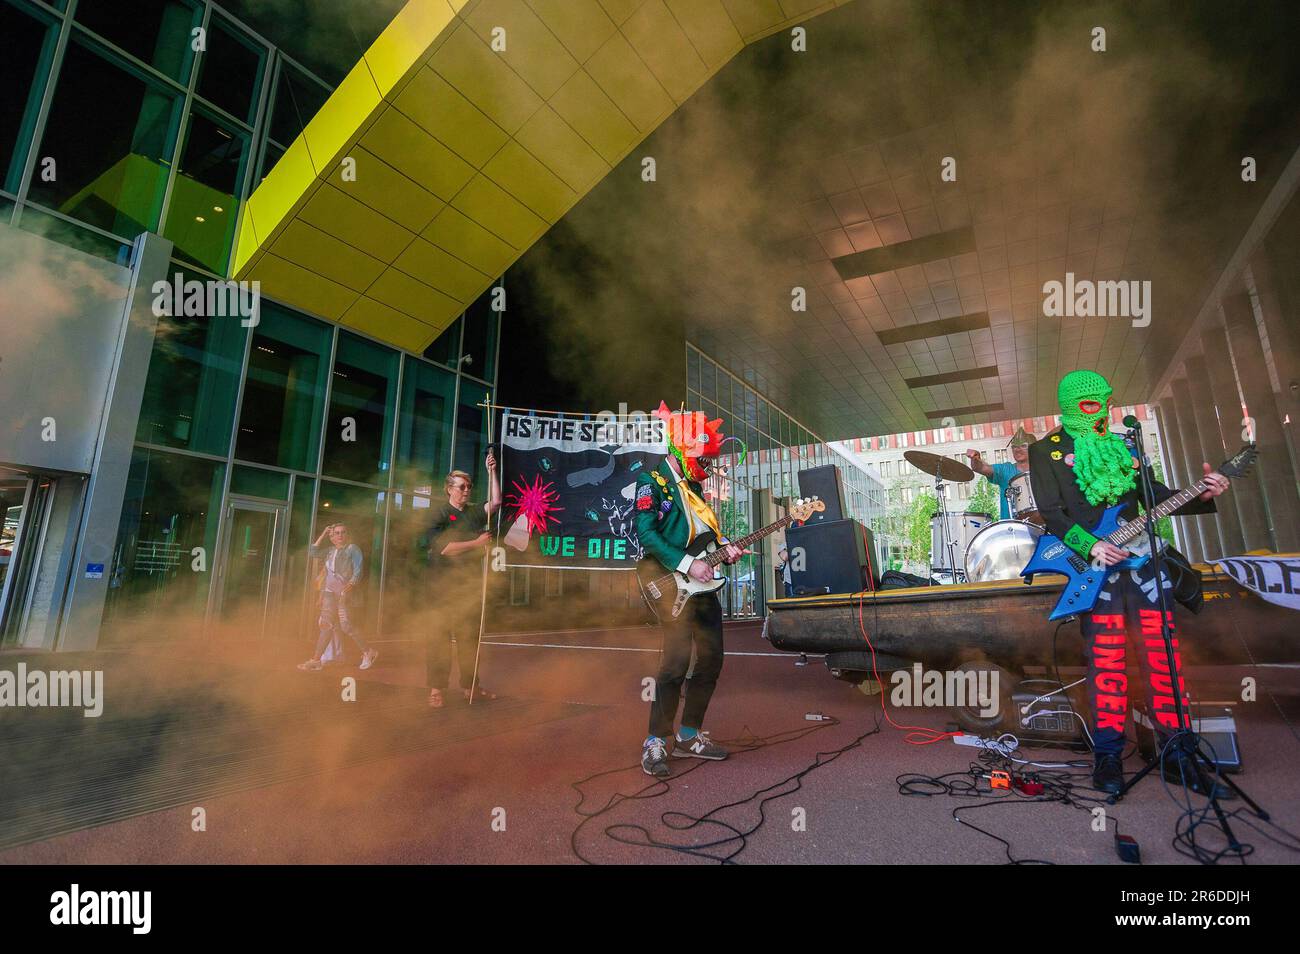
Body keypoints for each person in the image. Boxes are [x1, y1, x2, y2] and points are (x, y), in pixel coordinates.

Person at [1029, 370, 1228, 795]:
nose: (1099, 409)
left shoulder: (1125, 445)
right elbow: (1052, 512)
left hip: (1145, 568)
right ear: (1068, 405)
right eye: (1088, 402)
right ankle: (1108, 757)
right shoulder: (1045, 451)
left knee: (1164, 659)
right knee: (1106, 665)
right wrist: (1091, 547)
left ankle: (1178, 755)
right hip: (1097, 573)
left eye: (1105, 400)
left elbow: (1154, 494)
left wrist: (1202, 494)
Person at [635, 401, 744, 778]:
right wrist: (686, 564)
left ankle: (689, 734)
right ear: (681, 447)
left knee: (712, 659)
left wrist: (725, 547)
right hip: (671, 581)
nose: (708, 463)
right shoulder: (652, 481)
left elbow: (708, 535)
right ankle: (655, 740)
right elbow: (646, 533)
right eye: (702, 455)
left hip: (704, 585)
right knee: (676, 662)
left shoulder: (696, 487)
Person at [421, 450, 501, 708]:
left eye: (469, 486)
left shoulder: (473, 513)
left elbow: (496, 502)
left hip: (467, 589)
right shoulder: (439, 514)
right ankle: (436, 690)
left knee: (469, 640)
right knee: (439, 640)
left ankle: (470, 688)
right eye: (462, 487)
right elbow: (442, 548)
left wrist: (492, 472)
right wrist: (477, 543)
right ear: (449, 490)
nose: (466, 490)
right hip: (441, 589)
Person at [297, 523, 378, 672]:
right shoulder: (330, 551)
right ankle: (316, 660)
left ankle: (368, 652)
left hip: (343, 593)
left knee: (346, 625)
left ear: (347, 535)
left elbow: (358, 569)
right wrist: (323, 533)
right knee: (326, 625)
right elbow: (312, 552)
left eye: (343, 532)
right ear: (332, 537)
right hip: (329, 593)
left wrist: (352, 584)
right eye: (336, 533)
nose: (340, 535)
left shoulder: (352, 549)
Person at [966, 427, 1035, 520]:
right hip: (1011, 529)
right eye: (1014, 447)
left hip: (1042, 526)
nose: (1018, 449)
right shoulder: (1005, 469)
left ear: (1033, 448)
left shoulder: (1043, 470)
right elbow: (980, 468)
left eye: (1023, 446)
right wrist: (975, 458)